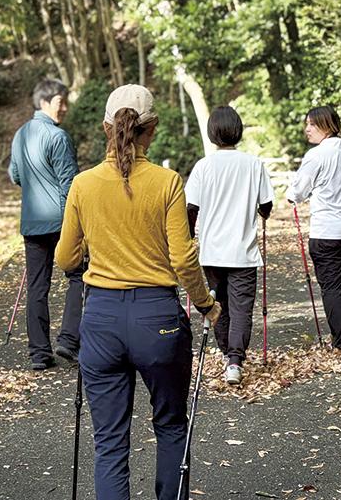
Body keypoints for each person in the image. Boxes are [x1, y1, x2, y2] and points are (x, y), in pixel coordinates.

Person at [56, 84, 221, 500]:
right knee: (170, 425)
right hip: (158, 320)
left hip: (102, 319)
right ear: (153, 129)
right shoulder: (166, 181)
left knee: (110, 441)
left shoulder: (83, 184)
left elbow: (65, 258)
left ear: (105, 128)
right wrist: (206, 304)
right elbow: (183, 259)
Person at [184, 106, 273, 385]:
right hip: (243, 252)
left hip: (212, 251)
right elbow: (267, 205)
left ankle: (225, 354)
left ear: (212, 133)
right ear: (239, 131)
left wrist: (188, 236)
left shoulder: (203, 166)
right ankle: (235, 361)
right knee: (241, 308)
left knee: (217, 304)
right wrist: (261, 213)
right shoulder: (253, 164)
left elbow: (190, 208)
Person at [8, 79, 84, 370]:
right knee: (78, 275)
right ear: (44, 102)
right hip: (60, 221)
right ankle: (68, 340)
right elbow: (70, 185)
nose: (64, 107)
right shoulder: (58, 137)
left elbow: (15, 175)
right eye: (60, 101)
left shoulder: (20, 135)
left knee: (37, 287)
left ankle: (39, 353)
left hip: (31, 223)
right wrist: (77, 223)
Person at [286, 105, 341, 350]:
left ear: (326, 125)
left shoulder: (317, 154)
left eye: (312, 124)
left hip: (328, 231)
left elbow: (298, 190)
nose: (307, 129)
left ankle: (340, 341)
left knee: (332, 284)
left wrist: (291, 196)